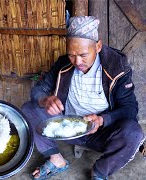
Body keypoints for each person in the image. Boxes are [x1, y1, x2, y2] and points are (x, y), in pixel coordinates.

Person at [21, 16, 145, 180]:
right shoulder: (64, 64)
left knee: (133, 133)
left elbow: (129, 109)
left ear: (98, 46)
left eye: (83, 54)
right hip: (69, 128)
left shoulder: (117, 68)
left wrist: (102, 120)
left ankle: (100, 172)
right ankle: (56, 160)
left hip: (103, 132)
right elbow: (39, 90)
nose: (77, 61)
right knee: (28, 109)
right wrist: (45, 99)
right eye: (71, 55)